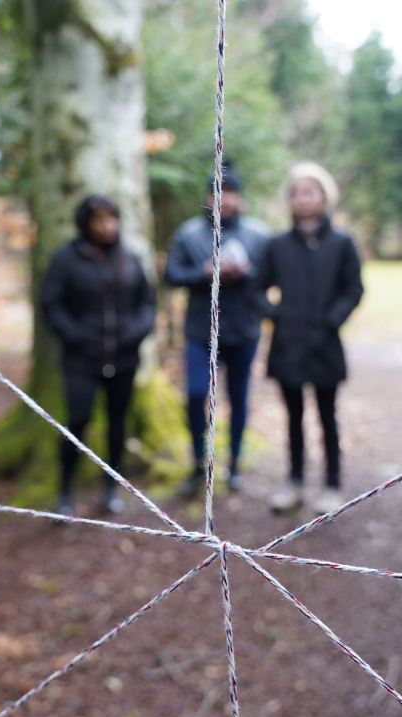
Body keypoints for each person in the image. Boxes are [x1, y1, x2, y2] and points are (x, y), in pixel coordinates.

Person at [256, 162, 364, 514]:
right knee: (293, 416)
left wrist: (332, 320)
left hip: (325, 344)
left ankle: (332, 484)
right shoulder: (277, 244)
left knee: (326, 414)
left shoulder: (342, 242)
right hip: (288, 344)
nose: (302, 199)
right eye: (296, 192)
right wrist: (276, 316)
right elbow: (255, 288)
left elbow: (354, 289)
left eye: (309, 192)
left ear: (324, 196)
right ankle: (294, 481)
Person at [42, 194, 157, 516]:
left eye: (112, 218)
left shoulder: (130, 258)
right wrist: (76, 336)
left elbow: (147, 303)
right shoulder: (65, 259)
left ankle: (111, 488)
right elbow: (51, 304)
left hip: (124, 359)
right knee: (76, 422)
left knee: (118, 423)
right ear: (85, 223)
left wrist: (135, 334)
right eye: (99, 219)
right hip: (81, 359)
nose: (107, 225)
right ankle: (65, 491)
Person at [164, 162, 271, 495]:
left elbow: (271, 278)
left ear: (240, 198)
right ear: (209, 197)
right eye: (217, 193)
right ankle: (198, 464)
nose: (224, 200)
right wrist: (204, 272)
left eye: (231, 194)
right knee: (196, 396)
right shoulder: (189, 233)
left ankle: (234, 465)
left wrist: (246, 272)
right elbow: (171, 275)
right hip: (200, 332)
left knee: (238, 398)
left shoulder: (258, 234)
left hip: (244, 331)